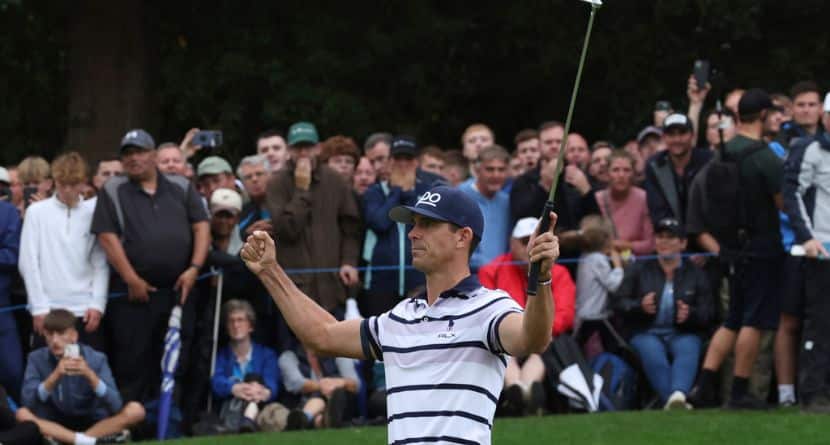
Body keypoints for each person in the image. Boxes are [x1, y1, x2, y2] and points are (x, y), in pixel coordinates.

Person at [241, 184, 558, 445]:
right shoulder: (400, 317)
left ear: (462, 237)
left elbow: (534, 338)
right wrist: (270, 271)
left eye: (428, 224)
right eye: (414, 224)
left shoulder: (489, 308)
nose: (412, 234)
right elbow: (322, 335)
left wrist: (541, 278)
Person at [92, 128, 210, 403]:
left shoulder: (180, 186)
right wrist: (131, 278)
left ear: (154, 155)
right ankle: (134, 425)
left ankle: (170, 423)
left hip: (179, 290)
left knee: (176, 361)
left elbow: (201, 226)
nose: (134, 158)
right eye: (128, 154)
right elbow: (107, 238)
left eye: (140, 152)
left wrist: (194, 268)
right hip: (134, 295)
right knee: (133, 363)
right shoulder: (113, 189)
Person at [691, 90, 784, 409]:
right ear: (761, 116)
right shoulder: (765, 156)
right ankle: (740, 392)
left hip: (731, 248)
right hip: (762, 247)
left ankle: (702, 385)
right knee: (753, 320)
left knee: (732, 319)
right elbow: (782, 201)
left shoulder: (723, 152)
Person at [478, 217, 575, 417]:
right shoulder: (491, 271)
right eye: (524, 242)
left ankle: (521, 390)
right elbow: (486, 313)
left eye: (537, 241)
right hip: (506, 340)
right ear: (512, 243)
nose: (530, 247)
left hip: (544, 340)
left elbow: (565, 314)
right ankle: (522, 390)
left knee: (541, 347)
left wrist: (535, 331)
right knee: (503, 348)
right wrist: (522, 332)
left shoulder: (560, 273)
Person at [615, 218, 713, 409]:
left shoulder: (696, 274)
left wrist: (690, 314)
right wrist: (639, 307)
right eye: (660, 237)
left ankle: (676, 395)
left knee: (688, 349)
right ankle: (676, 399)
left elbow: (709, 312)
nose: (664, 241)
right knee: (653, 353)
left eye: (671, 237)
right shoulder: (638, 268)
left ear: (683, 243)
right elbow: (618, 302)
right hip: (646, 331)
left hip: (683, 332)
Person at [265, 121, 361, 314]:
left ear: (318, 148)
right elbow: (287, 230)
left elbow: (351, 228)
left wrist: (349, 261)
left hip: (333, 286)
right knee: (294, 344)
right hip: (294, 289)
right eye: (297, 147)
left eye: (307, 147)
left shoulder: (334, 179)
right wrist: (301, 189)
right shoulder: (276, 183)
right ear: (289, 150)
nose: (303, 153)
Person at [19, 152, 108, 352]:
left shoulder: (93, 212)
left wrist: (98, 303)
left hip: (84, 310)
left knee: (87, 372)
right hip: (48, 309)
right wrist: (38, 307)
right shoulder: (37, 212)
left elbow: (100, 262)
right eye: (62, 183)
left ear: (84, 183)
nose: (67, 190)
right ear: (53, 182)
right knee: (46, 372)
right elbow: (29, 262)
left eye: (74, 184)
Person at [16, 309, 145, 445]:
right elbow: (27, 403)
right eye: (49, 334)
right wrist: (55, 376)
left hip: (93, 421)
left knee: (136, 410)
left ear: (74, 336)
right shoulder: (36, 358)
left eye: (61, 334)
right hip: (54, 422)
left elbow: (116, 404)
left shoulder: (96, 358)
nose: (54, 340)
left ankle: (75, 440)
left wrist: (89, 375)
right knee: (21, 414)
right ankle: (88, 441)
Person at [781, 98, 830, 412]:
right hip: (822, 250)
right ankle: (814, 394)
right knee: (820, 322)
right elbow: (792, 194)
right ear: (826, 119)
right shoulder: (809, 149)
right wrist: (808, 237)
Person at [362, 136, 446, 316]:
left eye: (408, 159)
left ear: (416, 163)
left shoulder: (428, 192)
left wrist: (410, 194)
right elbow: (380, 223)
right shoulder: (374, 192)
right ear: (389, 162)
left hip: (420, 280)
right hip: (381, 282)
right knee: (379, 337)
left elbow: (427, 224)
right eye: (397, 159)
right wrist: (397, 192)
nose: (402, 164)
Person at [211, 300, 279, 425]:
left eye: (240, 320)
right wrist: (234, 388)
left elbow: (272, 383)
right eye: (231, 321)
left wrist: (263, 392)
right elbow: (216, 381)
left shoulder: (267, 354)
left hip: (261, 407)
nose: (236, 325)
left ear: (250, 326)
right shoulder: (222, 355)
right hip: (231, 408)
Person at [644, 113, 712, 225]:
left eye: (682, 133)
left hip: (705, 230)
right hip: (670, 234)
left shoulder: (709, 161)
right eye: (671, 134)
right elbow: (657, 209)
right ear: (664, 137)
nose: (677, 139)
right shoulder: (654, 165)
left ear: (692, 135)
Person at [574, 217, 624, 350]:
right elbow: (613, 284)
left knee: (581, 345)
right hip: (594, 314)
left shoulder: (586, 256)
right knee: (614, 346)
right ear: (607, 239)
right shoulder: (598, 259)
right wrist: (618, 265)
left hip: (584, 313)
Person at [459, 145, 511, 269]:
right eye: (490, 169)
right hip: (468, 276)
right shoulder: (460, 196)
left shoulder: (506, 201)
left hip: (500, 276)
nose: (496, 175)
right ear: (478, 171)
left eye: (501, 169)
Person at [594, 150, 654, 256]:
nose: (621, 175)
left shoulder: (644, 198)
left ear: (633, 174)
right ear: (607, 174)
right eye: (615, 170)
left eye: (627, 170)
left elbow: (650, 244)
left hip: (636, 261)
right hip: (604, 261)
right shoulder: (597, 199)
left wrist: (626, 245)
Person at [0, 195, 22, 399]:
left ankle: (25, 425)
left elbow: (14, 255)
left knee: (13, 372)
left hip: (2, 309)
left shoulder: (7, 212)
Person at [236, 155, 271, 238]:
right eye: (248, 177)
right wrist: (249, 233)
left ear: (270, 176)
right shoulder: (243, 211)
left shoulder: (284, 203)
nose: (254, 179)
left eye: (259, 174)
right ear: (243, 183)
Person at [210, 188, 244, 255]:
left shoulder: (246, 246)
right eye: (219, 215)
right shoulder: (200, 244)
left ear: (237, 218)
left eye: (229, 216)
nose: (223, 221)